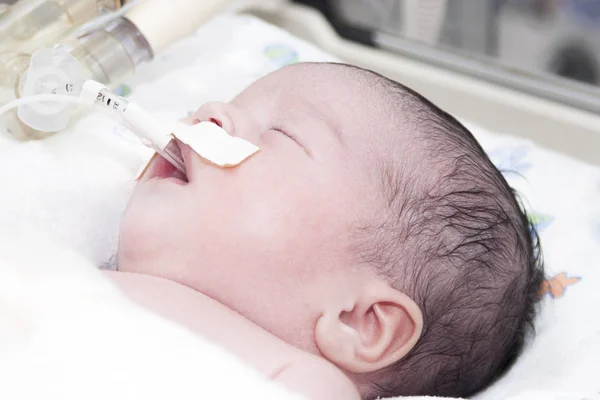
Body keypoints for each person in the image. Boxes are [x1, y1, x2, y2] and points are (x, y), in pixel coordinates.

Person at [105, 62, 544, 399]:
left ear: (360, 323)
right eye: (233, 102)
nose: (208, 114)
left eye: (281, 134)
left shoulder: (297, 382)